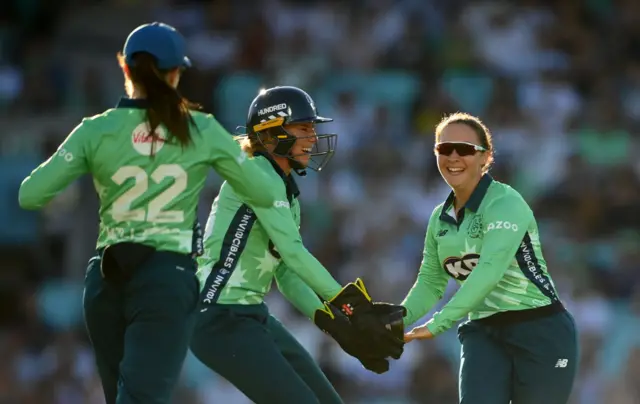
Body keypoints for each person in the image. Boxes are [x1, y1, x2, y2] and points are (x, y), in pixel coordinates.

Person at [18, 22, 278, 404]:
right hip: (165, 281)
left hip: (106, 279)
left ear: (125, 70)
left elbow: (30, 195)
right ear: (176, 74)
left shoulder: (96, 129)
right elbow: (262, 190)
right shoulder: (200, 129)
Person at [190, 86, 406, 404]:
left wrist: (337, 326)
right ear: (272, 133)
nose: (313, 138)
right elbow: (294, 253)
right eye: (303, 128)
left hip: (249, 315)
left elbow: (287, 274)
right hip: (217, 318)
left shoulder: (286, 192)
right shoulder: (255, 173)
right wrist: (354, 307)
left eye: (313, 129)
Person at [401, 112, 578, 404]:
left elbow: (489, 270)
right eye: (444, 149)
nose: (453, 156)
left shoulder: (506, 203)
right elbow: (431, 282)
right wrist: (397, 318)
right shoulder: (439, 218)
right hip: (483, 330)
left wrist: (437, 323)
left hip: (541, 329)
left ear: (486, 157)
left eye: (465, 149)